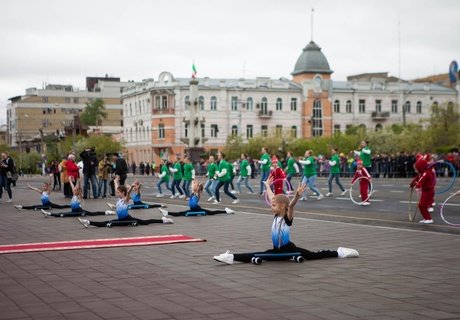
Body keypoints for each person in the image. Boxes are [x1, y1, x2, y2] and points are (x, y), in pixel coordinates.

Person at [213, 175, 359, 264]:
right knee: (261, 254)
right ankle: (230, 257)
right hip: (277, 249)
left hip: (288, 249)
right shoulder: (277, 214)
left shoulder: (287, 217)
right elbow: (272, 198)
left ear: (283, 206)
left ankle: (340, 252)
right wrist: (267, 186)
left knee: (315, 255)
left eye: (274, 205)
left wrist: (296, 196)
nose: (271, 205)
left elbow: (292, 204)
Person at [78, 175, 173, 228]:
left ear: (122, 193)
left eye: (118, 192)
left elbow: (128, 194)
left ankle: (163, 220)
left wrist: (131, 188)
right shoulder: (119, 199)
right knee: (105, 222)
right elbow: (117, 188)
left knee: (145, 222)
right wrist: (115, 181)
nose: (117, 193)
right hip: (120, 220)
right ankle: (88, 222)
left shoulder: (125, 199)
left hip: (128, 219)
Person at [41, 178, 112, 217]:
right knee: (63, 213)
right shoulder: (74, 194)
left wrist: (79, 183)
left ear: (78, 191)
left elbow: (79, 190)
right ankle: (49, 214)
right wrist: (70, 180)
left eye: (75, 190)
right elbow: (73, 186)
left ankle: (106, 212)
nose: (73, 190)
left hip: (79, 211)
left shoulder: (79, 196)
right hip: (74, 211)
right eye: (74, 189)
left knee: (93, 213)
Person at [159, 180, 234, 217]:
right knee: (181, 213)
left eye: (194, 185)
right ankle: (167, 213)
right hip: (194, 209)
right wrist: (194, 182)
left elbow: (199, 187)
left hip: (197, 209)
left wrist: (199, 184)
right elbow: (192, 185)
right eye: (193, 185)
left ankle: (226, 211)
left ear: (197, 187)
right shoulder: (193, 192)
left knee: (212, 212)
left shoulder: (197, 193)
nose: (192, 185)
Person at [410, 154, 436, 224]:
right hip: (425, 191)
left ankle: (429, 218)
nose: (416, 169)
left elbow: (421, 181)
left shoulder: (426, 173)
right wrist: (412, 185)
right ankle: (426, 218)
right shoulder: (422, 173)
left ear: (420, 167)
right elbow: (417, 178)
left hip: (428, 191)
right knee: (421, 205)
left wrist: (418, 186)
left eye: (417, 168)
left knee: (422, 205)